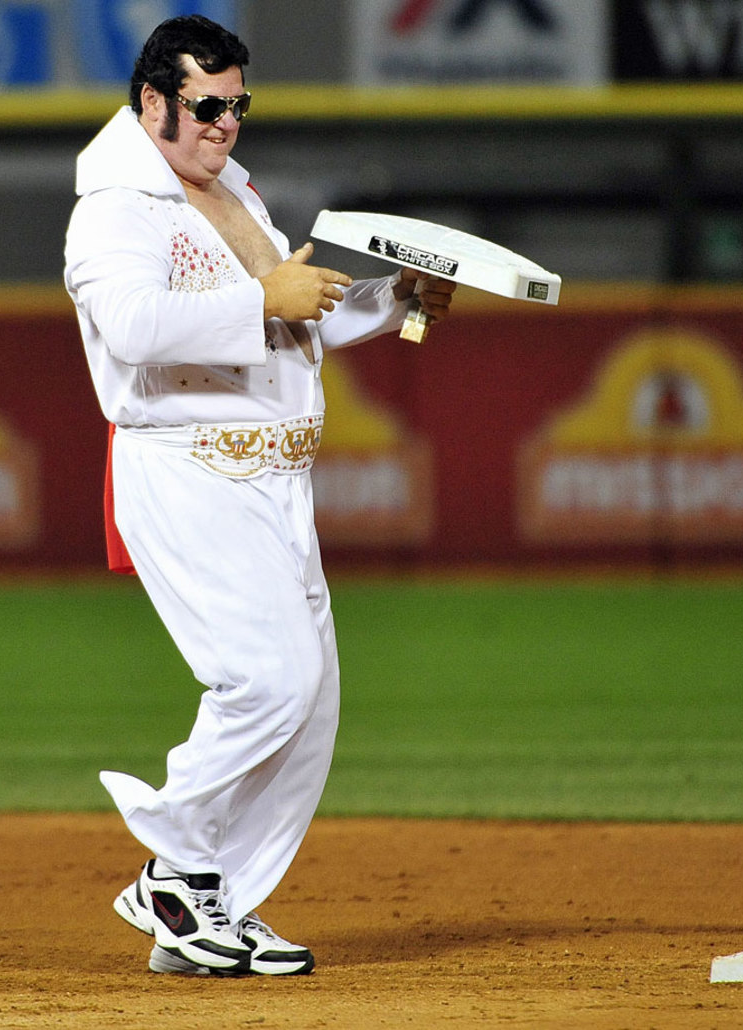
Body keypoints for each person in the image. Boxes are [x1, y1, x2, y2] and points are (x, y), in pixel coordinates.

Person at [63, 14, 455, 977]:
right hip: (187, 469)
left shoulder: (227, 187)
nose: (225, 122)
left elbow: (294, 321)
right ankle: (173, 870)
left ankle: (208, 908)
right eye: (206, 105)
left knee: (310, 703)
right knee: (269, 681)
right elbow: (134, 324)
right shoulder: (116, 205)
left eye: (237, 103)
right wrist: (260, 299)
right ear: (153, 100)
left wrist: (397, 304)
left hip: (275, 479)